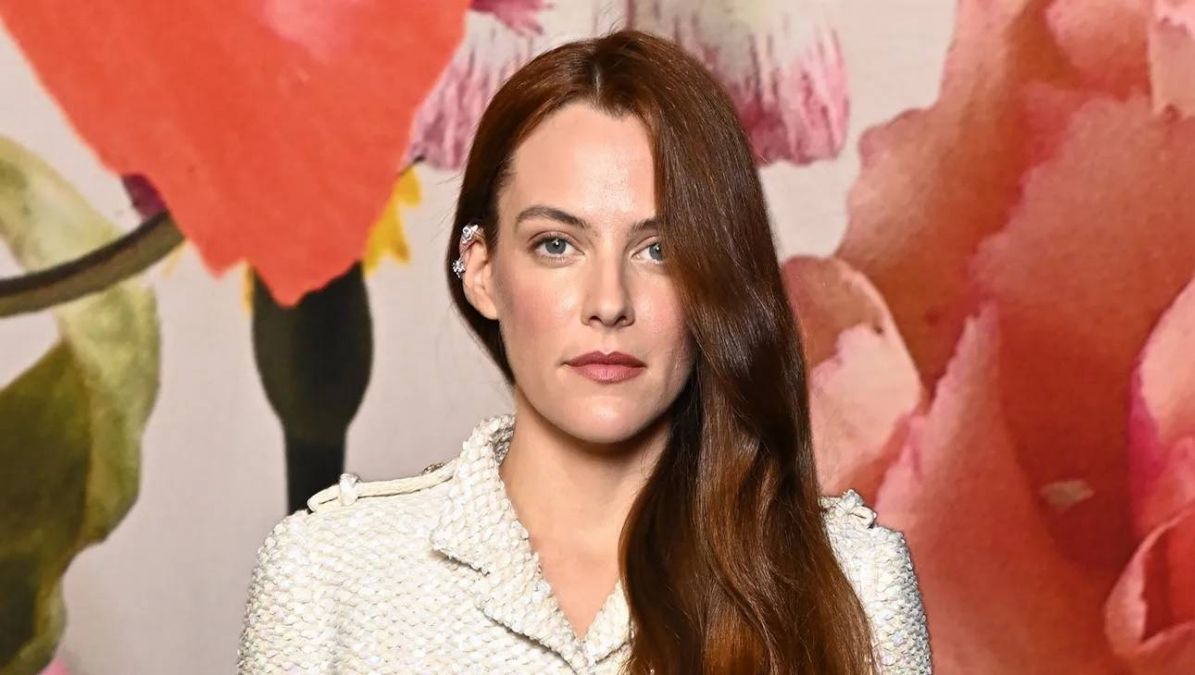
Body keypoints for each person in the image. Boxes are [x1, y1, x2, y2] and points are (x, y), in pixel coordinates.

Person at [237, 29, 931, 675]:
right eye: (556, 244)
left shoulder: (855, 579)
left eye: (659, 250)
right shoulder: (328, 573)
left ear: (717, 278)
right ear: (481, 270)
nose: (609, 301)